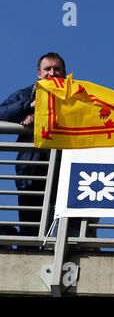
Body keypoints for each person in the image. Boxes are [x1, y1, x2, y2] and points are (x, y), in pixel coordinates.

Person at [0, 52, 66, 239]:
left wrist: (38, 117)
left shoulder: (75, 97)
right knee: (30, 228)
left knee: (61, 231)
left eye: (56, 69)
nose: (52, 73)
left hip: (63, 172)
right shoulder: (25, 95)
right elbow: (2, 113)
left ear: (64, 73)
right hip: (31, 170)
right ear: (39, 74)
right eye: (47, 69)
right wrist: (29, 106)